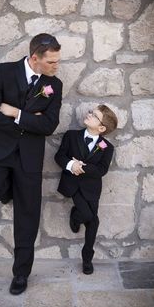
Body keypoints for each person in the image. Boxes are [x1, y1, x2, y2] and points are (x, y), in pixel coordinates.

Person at [0, 33, 62, 294]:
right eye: (52, 62)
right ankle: (8, 190)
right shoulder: (2, 72)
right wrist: (27, 122)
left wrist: (15, 113)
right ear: (35, 58)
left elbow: (48, 125)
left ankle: (21, 274)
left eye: (58, 61)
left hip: (30, 158)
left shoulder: (53, 85)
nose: (56, 67)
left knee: (27, 216)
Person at [55, 105, 118, 274]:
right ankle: (78, 220)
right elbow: (59, 156)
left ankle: (86, 257)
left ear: (102, 128)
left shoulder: (107, 147)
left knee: (91, 220)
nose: (89, 115)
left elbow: (101, 170)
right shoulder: (71, 136)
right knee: (92, 218)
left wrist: (82, 166)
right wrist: (71, 164)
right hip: (73, 185)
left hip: (91, 189)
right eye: (91, 112)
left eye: (94, 115)